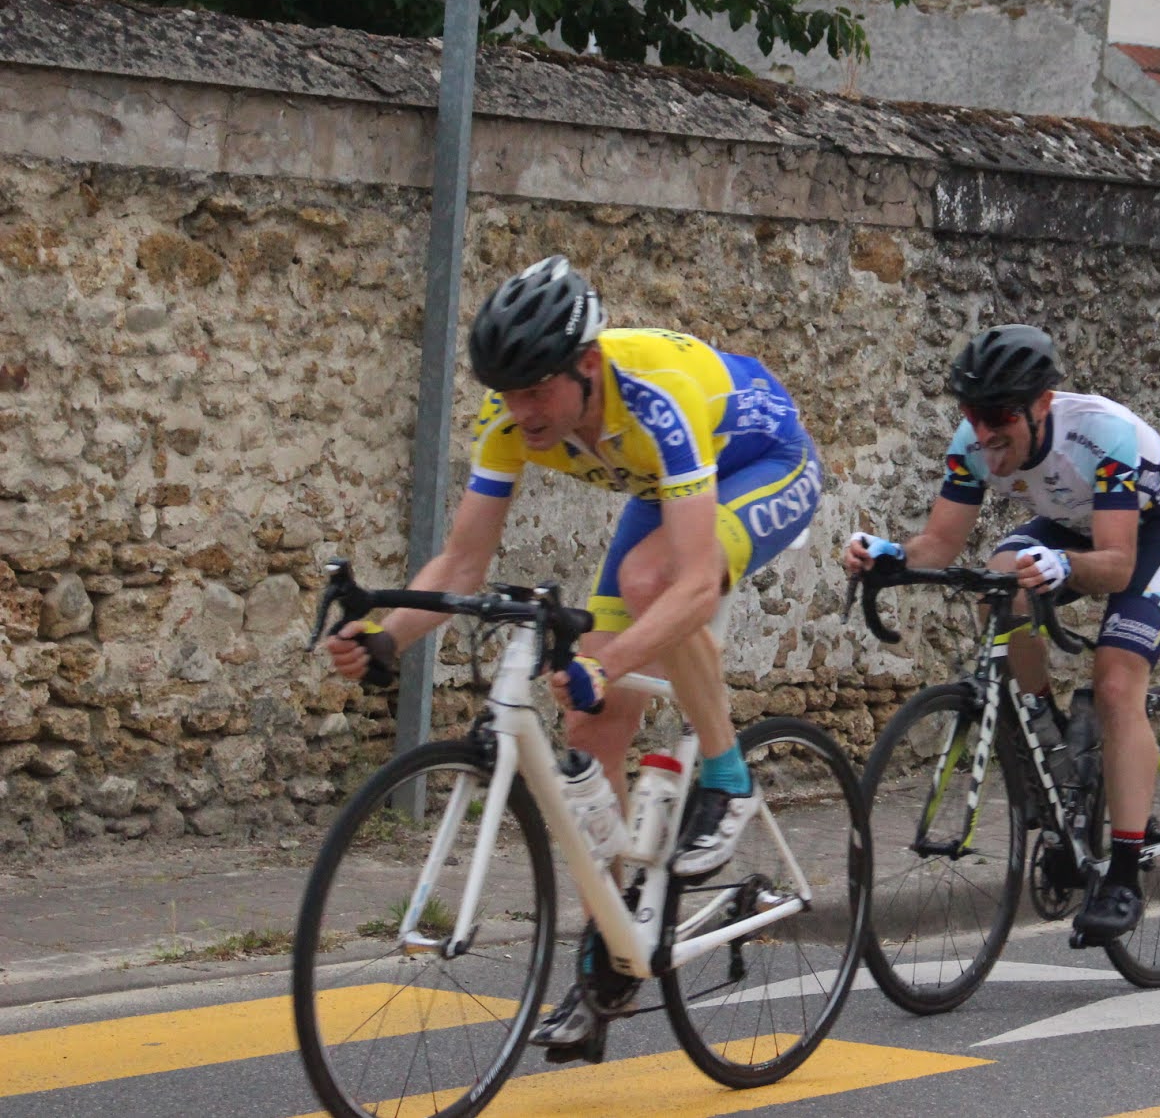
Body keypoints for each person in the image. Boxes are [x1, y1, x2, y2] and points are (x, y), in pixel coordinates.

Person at [322, 256, 822, 1050]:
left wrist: (608, 660)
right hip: (665, 489)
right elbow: (462, 562)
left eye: (535, 391)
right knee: (592, 723)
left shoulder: (655, 397)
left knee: (652, 580)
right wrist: (387, 638)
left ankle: (728, 777)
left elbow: (696, 583)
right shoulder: (509, 415)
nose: (520, 410)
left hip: (764, 460)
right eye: (507, 392)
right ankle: (610, 951)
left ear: (586, 365)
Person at [842, 324, 1160, 944]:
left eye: (1000, 415)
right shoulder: (973, 443)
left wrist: (1065, 567)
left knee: (1117, 685)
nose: (985, 433)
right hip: (1071, 525)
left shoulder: (1103, 433)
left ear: (1041, 405)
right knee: (998, 587)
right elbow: (940, 544)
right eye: (973, 415)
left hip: (1149, 534)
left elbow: (1116, 564)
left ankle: (1121, 874)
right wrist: (890, 555)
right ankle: (1047, 734)